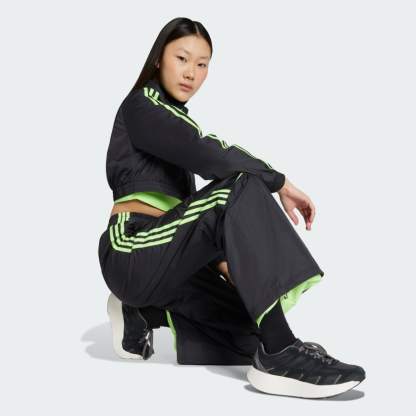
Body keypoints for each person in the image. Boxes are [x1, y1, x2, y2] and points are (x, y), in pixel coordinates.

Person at [97, 17, 366, 399]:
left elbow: (191, 223)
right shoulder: (143, 106)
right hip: (131, 248)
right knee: (238, 187)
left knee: (249, 331)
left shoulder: (174, 119)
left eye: (202, 64)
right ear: (159, 59)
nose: (191, 73)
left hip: (168, 264)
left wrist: (229, 256)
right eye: (182, 58)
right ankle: (280, 355)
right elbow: (203, 150)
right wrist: (278, 181)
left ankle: (145, 312)